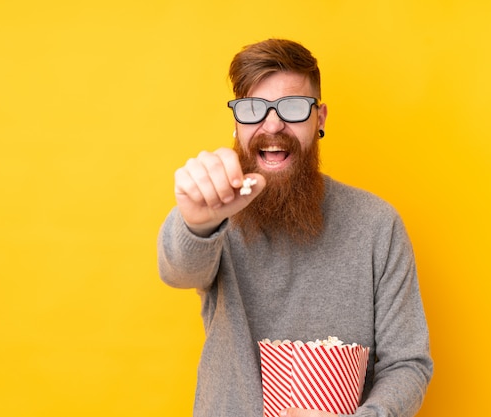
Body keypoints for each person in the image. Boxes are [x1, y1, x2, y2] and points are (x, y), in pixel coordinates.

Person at [157, 38, 433, 417]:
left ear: (319, 118)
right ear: (236, 122)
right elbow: (177, 270)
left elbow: (408, 363)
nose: (272, 124)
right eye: (253, 109)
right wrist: (196, 222)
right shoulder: (219, 211)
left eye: (292, 107)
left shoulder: (377, 225)